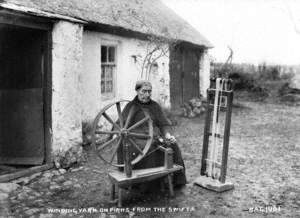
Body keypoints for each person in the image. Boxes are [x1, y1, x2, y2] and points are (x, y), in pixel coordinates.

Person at [119, 80, 187, 191]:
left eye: (149, 91)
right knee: (148, 147)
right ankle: (147, 185)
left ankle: (174, 181)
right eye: (144, 91)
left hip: (155, 136)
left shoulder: (155, 106)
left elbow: (163, 124)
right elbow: (120, 125)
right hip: (136, 139)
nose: (147, 95)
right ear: (137, 91)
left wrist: (168, 135)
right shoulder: (130, 107)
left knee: (172, 145)